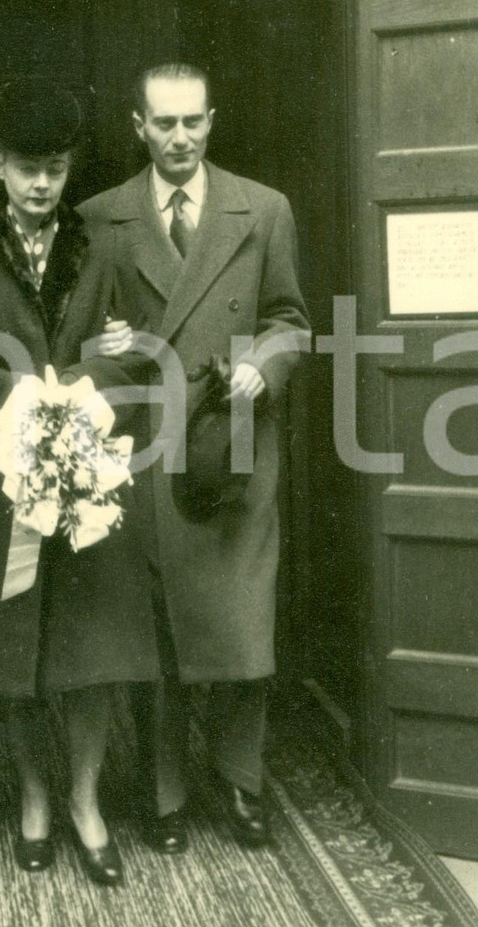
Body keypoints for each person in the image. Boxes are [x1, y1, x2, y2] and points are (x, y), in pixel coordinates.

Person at [0, 79, 159, 887]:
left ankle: (87, 803)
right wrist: (22, 394)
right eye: (26, 167)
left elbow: (132, 361)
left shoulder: (108, 249)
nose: (42, 184)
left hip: (86, 489)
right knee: (11, 655)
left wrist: (83, 384)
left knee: (91, 654)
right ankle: (33, 798)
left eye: (55, 167)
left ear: (70, 167)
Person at [79, 63, 311, 856]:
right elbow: (74, 337)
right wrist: (101, 345)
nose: (180, 139)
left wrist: (265, 365)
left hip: (234, 443)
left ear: (212, 121)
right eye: (164, 124)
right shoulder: (101, 218)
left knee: (243, 624)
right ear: (137, 126)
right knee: (161, 629)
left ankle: (242, 782)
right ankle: (165, 791)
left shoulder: (263, 210)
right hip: (146, 451)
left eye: (194, 123)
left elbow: (290, 320)